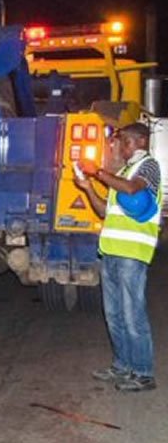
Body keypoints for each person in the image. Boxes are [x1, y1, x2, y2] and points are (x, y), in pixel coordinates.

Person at [75, 122, 163, 392]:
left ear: (138, 141)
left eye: (122, 141)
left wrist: (99, 172)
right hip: (112, 252)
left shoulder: (148, 166)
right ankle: (122, 365)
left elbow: (133, 190)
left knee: (131, 314)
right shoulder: (123, 173)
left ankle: (143, 373)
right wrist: (88, 187)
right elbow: (104, 211)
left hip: (131, 254)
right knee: (114, 315)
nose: (118, 146)